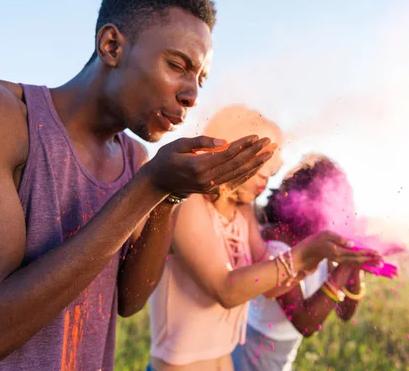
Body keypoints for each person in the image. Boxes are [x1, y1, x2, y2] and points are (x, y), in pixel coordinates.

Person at [0, 0, 274, 370]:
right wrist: (149, 186)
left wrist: (168, 195)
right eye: (178, 64)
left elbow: (129, 300)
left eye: (200, 79)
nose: (192, 95)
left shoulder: (135, 159)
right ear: (111, 46)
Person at [147, 107, 383, 371]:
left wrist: (317, 256)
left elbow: (270, 286)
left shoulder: (243, 210)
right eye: (263, 164)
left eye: (272, 171)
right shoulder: (187, 201)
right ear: (230, 150)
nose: (268, 178)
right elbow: (226, 290)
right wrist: (304, 254)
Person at [231, 155, 372, 371]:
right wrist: (345, 265)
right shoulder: (275, 242)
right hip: (255, 350)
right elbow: (305, 323)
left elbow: (345, 313)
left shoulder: (321, 238)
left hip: (283, 352)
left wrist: (355, 265)